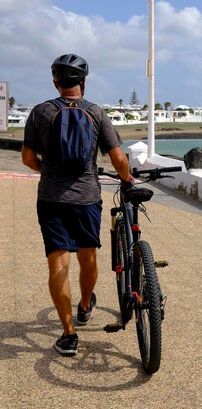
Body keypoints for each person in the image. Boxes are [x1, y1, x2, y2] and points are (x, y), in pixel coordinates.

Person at [22, 54, 133, 356]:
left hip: (51, 199)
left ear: (55, 82)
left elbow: (28, 159)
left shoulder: (40, 112)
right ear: (84, 82)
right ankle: (85, 305)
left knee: (58, 264)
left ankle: (69, 335)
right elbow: (119, 159)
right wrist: (127, 180)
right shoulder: (95, 112)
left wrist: (48, 172)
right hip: (86, 198)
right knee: (88, 257)